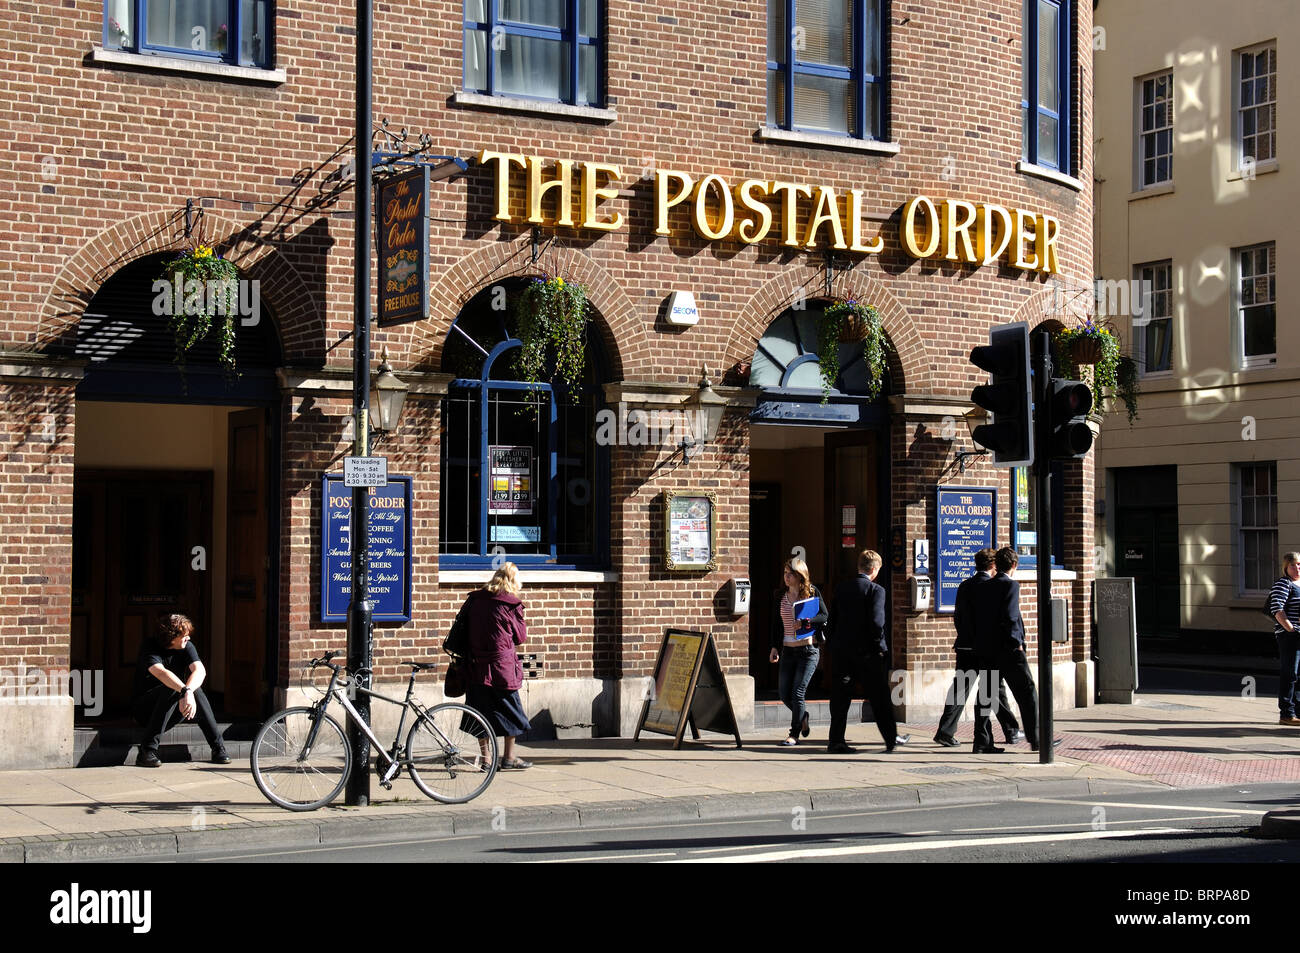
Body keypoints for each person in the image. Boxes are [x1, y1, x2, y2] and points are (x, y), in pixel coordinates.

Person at [934, 548, 1024, 747]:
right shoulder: (991, 587)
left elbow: (958, 616)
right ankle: (1011, 731)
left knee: (961, 689)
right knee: (993, 688)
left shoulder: (965, 585)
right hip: (984, 647)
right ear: (993, 565)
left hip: (964, 645)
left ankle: (945, 730)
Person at [826, 550, 909, 753]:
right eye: (878, 570)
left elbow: (832, 620)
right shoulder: (876, 590)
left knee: (840, 698)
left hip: (842, 652)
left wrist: (833, 645)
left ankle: (836, 741)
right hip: (866, 654)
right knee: (880, 698)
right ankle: (890, 739)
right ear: (873, 569)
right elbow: (876, 622)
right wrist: (879, 647)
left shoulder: (842, 588)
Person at [970, 547, 1045, 753]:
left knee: (986, 695)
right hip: (1009, 651)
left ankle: (981, 742)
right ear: (1014, 565)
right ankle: (1037, 739)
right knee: (1027, 693)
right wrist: (1016, 643)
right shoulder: (1011, 585)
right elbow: (1011, 616)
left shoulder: (985, 586)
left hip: (987, 649)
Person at [133, 614, 229, 767]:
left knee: (195, 690)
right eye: (184, 635)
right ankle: (146, 750)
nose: (188, 638)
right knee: (172, 688)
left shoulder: (186, 646)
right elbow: (162, 673)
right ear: (172, 637)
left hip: (173, 708)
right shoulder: (150, 647)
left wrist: (188, 690)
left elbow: (200, 671)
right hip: (146, 710)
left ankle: (218, 748)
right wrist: (184, 691)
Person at [463, 561, 533, 769]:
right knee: (512, 711)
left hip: (476, 666)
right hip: (502, 669)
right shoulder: (511, 605)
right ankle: (509, 758)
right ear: (513, 581)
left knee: (479, 712)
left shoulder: (474, 600)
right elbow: (520, 637)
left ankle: (486, 759)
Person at [768, 557, 827, 747]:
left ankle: (794, 734)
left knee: (798, 692)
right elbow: (776, 625)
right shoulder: (780, 596)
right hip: (788, 651)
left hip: (808, 650)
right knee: (784, 694)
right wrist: (774, 647)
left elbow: (824, 615)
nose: (786, 577)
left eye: (790, 574)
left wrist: (806, 621)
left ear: (800, 575)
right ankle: (803, 716)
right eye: (785, 573)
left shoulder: (811, 592)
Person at [1268, 552, 1300, 726]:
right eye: (1293, 565)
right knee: (1290, 673)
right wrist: (1291, 629)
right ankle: (1287, 713)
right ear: (1286, 567)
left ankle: (1297, 711)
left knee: (1299, 674)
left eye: (1299, 564)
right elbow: (1276, 608)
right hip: (1290, 636)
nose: (1297, 568)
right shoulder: (1283, 584)